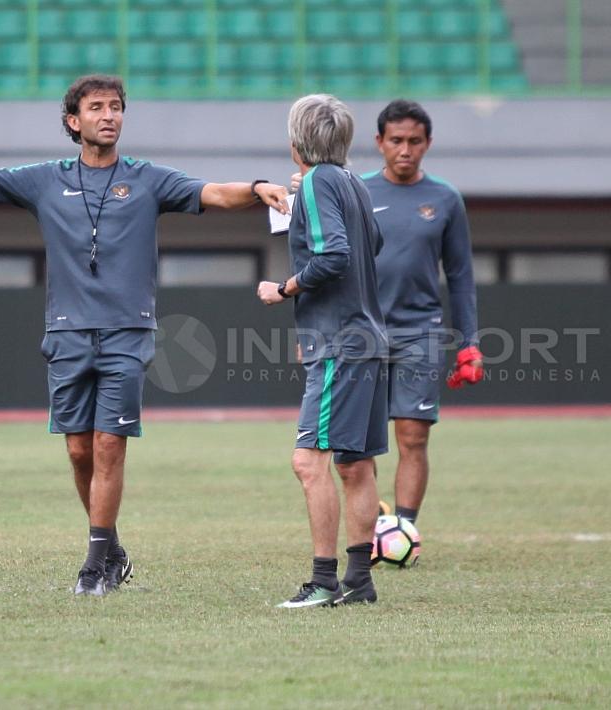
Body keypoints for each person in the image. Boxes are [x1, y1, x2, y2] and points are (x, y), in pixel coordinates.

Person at [0, 75, 289, 597]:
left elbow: (213, 193)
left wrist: (259, 186)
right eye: (97, 107)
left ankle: (92, 567)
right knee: (80, 452)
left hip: (127, 334)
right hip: (66, 335)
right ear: (73, 121)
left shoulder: (148, 179)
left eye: (116, 107)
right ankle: (112, 549)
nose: (109, 115)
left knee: (109, 445)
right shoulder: (43, 179)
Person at [256, 94, 389, 608]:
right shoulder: (352, 182)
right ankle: (359, 580)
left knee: (309, 461)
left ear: (295, 144)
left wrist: (284, 289)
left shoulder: (315, 182)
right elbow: (370, 243)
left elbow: (335, 254)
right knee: (357, 464)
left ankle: (324, 580)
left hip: (342, 341)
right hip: (369, 338)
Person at [362, 99, 482, 526]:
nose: (405, 149)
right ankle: (372, 521)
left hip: (421, 332)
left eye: (414, 140)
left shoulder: (445, 199)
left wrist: (469, 343)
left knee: (413, 436)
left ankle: (404, 529)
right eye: (396, 140)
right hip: (363, 332)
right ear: (379, 142)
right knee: (360, 443)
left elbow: (461, 275)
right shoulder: (358, 192)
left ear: (428, 143)